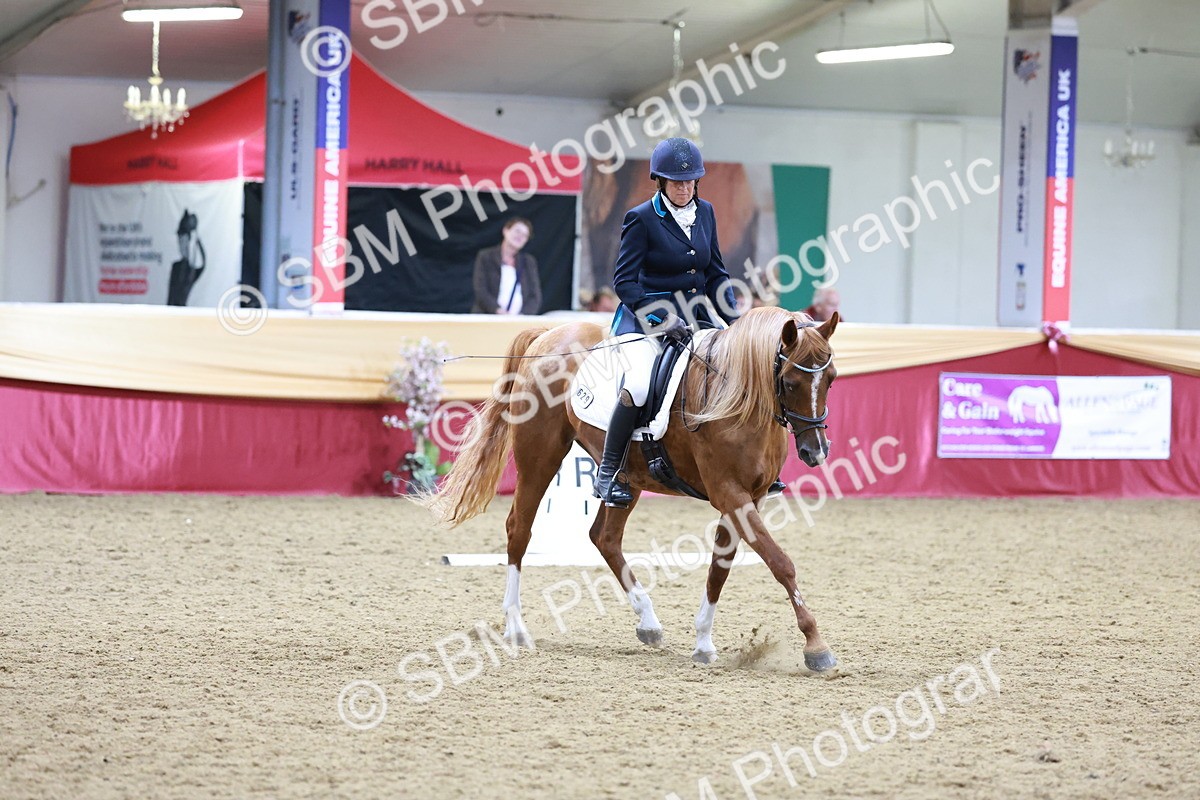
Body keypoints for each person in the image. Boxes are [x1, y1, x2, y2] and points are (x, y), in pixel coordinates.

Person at [593, 137, 748, 508]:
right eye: (676, 182)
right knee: (639, 385)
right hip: (646, 319)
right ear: (660, 182)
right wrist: (660, 319)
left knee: (737, 369)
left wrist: (737, 323)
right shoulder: (641, 218)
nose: (684, 188)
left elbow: (715, 275)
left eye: (690, 181)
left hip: (695, 317)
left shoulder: (706, 212)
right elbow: (625, 283)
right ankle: (608, 472)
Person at [472, 217, 542, 315]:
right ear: (506, 230)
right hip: (488, 318)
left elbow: (535, 296)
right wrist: (498, 311)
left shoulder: (528, 261)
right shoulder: (486, 256)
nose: (520, 236)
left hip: (518, 322)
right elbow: (481, 289)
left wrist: (523, 316)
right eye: (517, 231)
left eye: (525, 235)